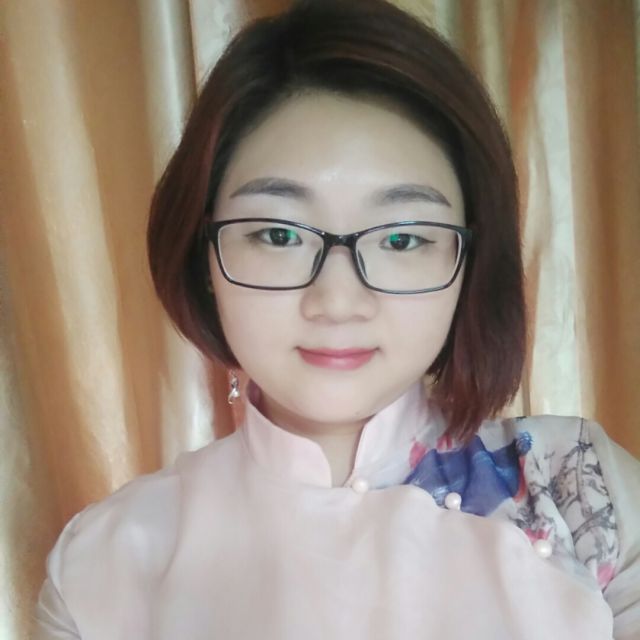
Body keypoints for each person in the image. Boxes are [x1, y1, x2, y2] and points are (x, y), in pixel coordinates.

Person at [34, 0, 640, 638]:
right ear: (203, 254)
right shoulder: (103, 567)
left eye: (402, 238)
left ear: (470, 258)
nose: (338, 300)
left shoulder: (585, 494)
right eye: (278, 234)